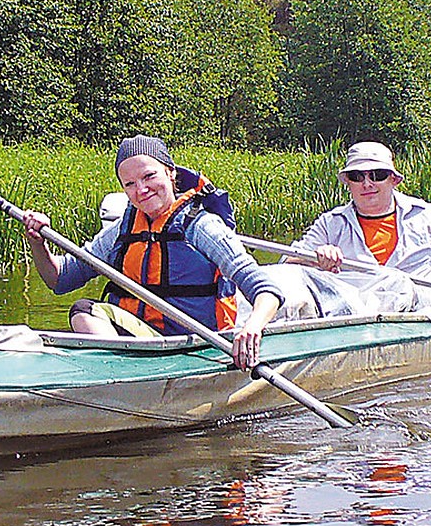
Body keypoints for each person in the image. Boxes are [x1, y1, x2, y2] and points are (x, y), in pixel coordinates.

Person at [23, 135, 282, 369]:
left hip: (197, 346)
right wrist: (38, 242)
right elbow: (60, 279)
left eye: (149, 177)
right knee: (84, 311)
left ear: (170, 173)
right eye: (130, 184)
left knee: (85, 311)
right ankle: (120, 374)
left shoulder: (202, 227)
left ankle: (120, 374)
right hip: (146, 343)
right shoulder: (120, 231)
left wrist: (252, 327)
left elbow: (267, 291)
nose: (141, 190)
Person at [296, 140, 431, 310]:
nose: (367, 184)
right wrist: (315, 258)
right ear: (348, 183)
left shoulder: (429, 216)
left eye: (377, 175)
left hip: (425, 318)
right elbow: (289, 265)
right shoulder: (330, 223)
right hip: (358, 321)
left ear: (394, 179)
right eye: (357, 176)